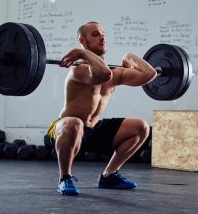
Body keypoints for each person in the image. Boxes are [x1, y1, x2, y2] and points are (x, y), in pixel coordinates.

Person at [47, 21, 157, 196]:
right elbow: (102, 74)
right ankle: (64, 177)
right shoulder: (79, 69)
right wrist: (82, 54)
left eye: (103, 34)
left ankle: (109, 175)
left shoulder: (116, 73)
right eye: (95, 34)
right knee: (74, 123)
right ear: (83, 41)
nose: (102, 37)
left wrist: (130, 56)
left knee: (141, 127)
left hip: (93, 130)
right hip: (67, 129)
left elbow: (149, 74)